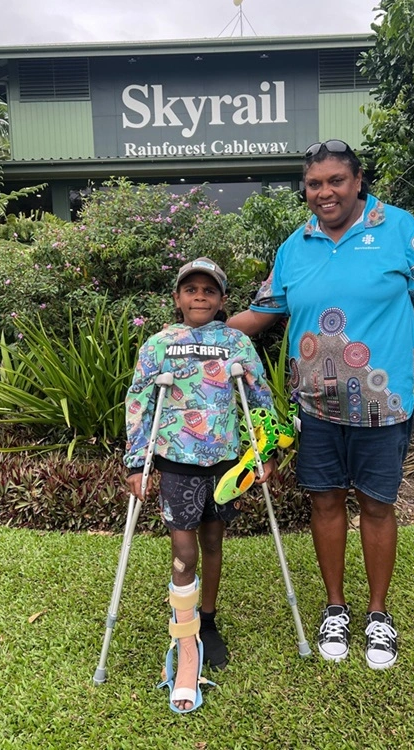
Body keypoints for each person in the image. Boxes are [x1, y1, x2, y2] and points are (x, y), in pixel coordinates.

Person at [228, 140, 414, 670]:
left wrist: (392, 345)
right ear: (305, 190)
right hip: (316, 406)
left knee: (376, 504)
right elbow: (262, 314)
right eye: (314, 184)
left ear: (357, 183)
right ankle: (335, 607)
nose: (324, 192)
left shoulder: (399, 229)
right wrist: (199, 332)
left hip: (384, 403)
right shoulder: (295, 245)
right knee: (324, 502)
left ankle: (377, 614)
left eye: (335, 181)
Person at [124, 257, 275, 714]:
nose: (200, 297)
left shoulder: (236, 342)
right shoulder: (159, 345)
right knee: (184, 551)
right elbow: (139, 401)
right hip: (177, 461)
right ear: (177, 298)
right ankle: (185, 638)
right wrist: (136, 462)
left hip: (225, 461)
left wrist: (262, 453)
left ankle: (207, 620)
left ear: (222, 300)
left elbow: (260, 397)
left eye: (209, 291)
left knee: (213, 541)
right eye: (190, 289)